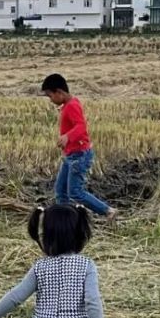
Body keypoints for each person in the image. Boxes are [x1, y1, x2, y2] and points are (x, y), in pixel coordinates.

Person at [40, 72, 110, 218]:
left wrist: (67, 137)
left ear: (59, 92)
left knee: (75, 192)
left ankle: (107, 211)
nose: (50, 100)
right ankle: (63, 218)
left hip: (79, 156)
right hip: (71, 155)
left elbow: (81, 126)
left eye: (50, 96)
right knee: (60, 191)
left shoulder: (71, 106)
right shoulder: (68, 104)